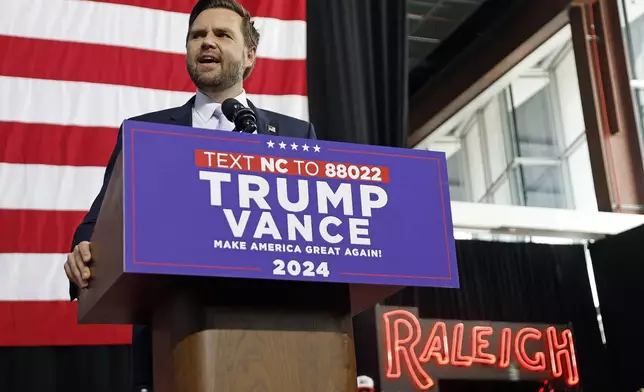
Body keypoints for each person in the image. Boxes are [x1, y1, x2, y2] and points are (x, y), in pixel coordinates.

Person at [63, 0, 316, 390]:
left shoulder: (294, 135)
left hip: (276, 340)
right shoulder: (144, 133)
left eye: (221, 35)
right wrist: (84, 245)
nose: (206, 43)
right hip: (171, 339)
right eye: (197, 36)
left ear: (250, 55)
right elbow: (99, 222)